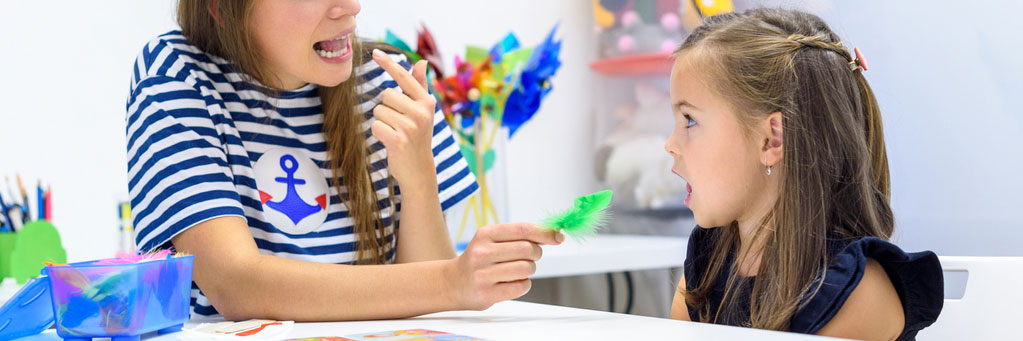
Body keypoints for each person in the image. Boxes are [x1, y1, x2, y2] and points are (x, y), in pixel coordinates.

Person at [125, 0, 562, 321]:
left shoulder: (389, 81)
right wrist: (453, 280)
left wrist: (419, 178)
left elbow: (428, 303)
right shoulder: (177, 73)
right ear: (222, 9)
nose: (351, 7)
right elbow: (237, 285)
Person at [664, 8, 943, 340]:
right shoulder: (707, 265)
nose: (670, 144)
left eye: (690, 120)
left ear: (772, 139)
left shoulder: (856, 292)